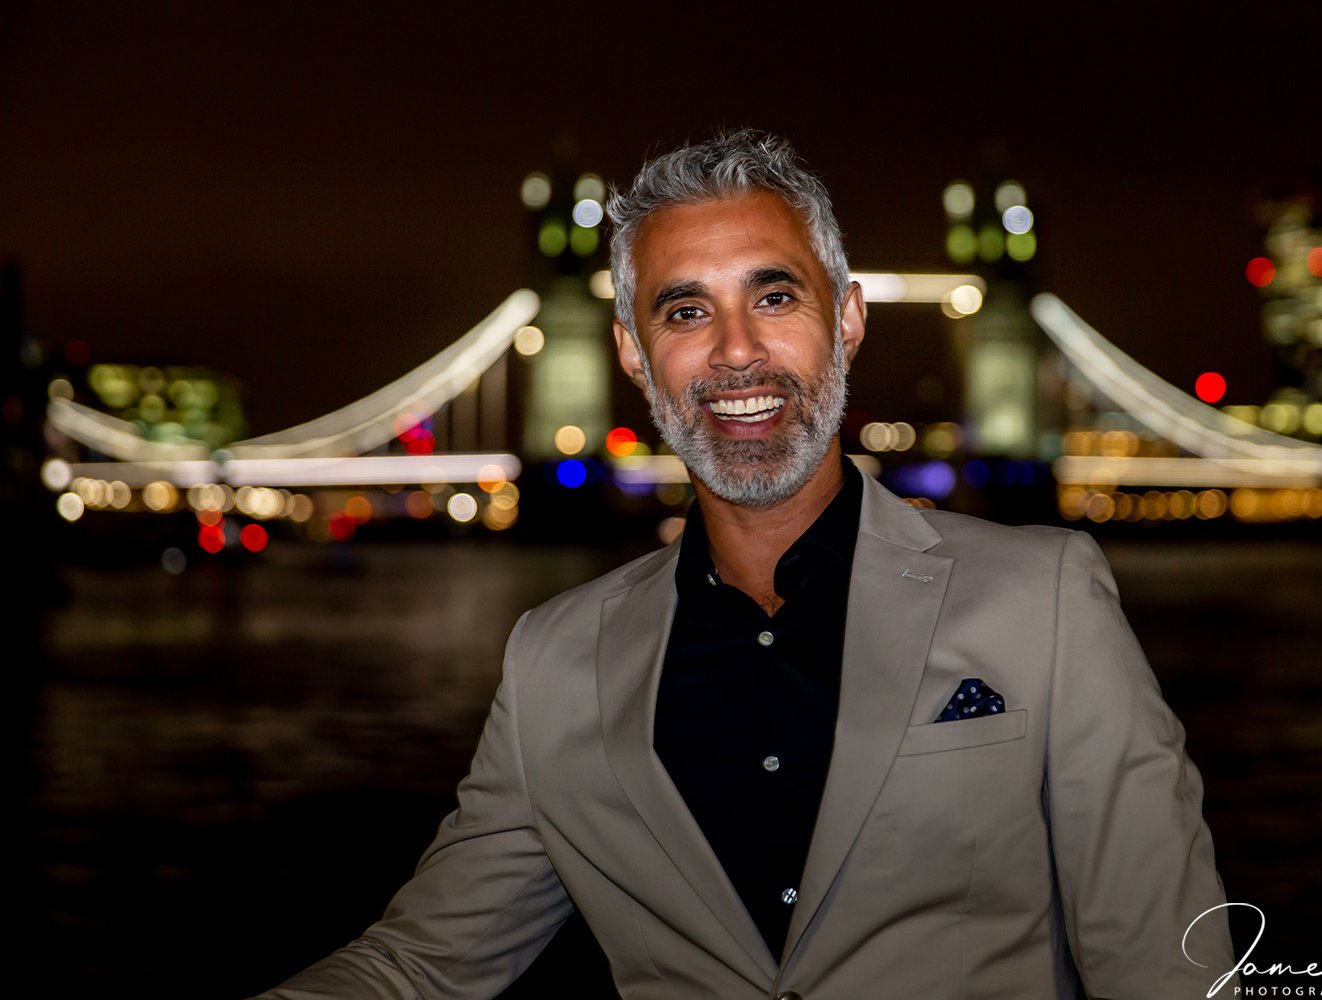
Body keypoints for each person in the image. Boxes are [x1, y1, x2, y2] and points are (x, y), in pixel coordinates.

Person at [256, 130, 1237, 999]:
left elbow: (1168, 972)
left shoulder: (1047, 600)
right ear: (633, 356)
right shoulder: (552, 660)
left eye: (775, 296)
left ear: (849, 319)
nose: (736, 352)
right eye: (684, 313)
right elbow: (421, 966)